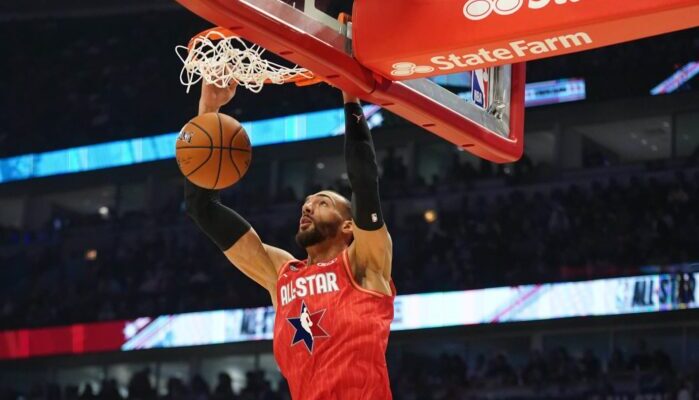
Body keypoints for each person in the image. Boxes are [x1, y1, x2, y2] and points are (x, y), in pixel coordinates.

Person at [185, 81, 395, 399]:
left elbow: (364, 181)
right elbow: (203, 209)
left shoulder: (363, 265)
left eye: (323, 202)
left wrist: (350, 96)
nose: (308, 205)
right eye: (307, 202)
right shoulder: (281, 273)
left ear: (349, 226)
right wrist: (208, 112)